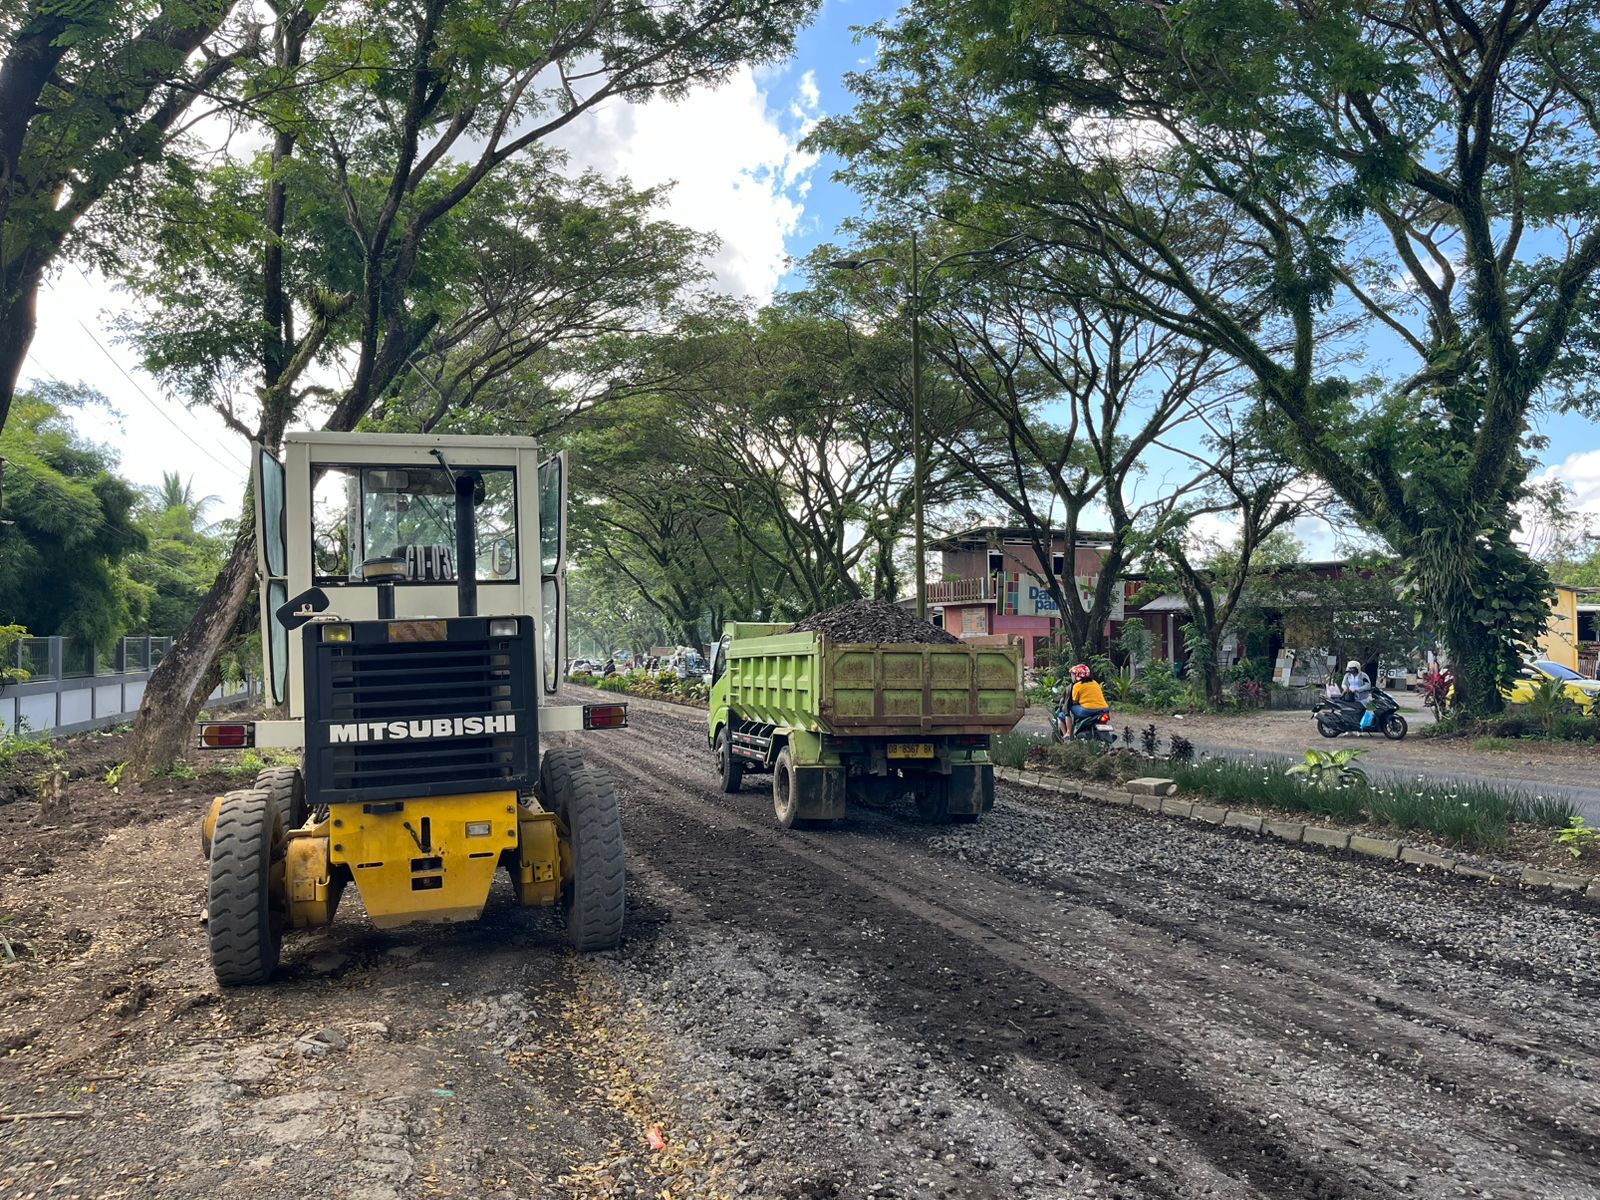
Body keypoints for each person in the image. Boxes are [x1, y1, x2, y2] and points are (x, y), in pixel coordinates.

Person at [1062, 663, 1110, 735]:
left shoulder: (1077, 685)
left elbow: (1074, 700)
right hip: (1104, 709)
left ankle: (1068, 733)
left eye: (1073, 675)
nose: (1072, 677)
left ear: (1077, 675)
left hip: (1088, 710)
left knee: (1070, 709)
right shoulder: (1095, 683)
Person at [1341, 659, 1375, 729]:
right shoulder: (1347, 675)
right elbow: (1344, 684)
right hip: (1351, 697)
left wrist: (1357, 689)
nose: (1351, 671)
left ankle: (1365, 727)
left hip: (1364, 698)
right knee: (1351, 712)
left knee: (1371, 711)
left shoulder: (1363, 675)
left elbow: (1368, 685)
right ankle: (1349, 729)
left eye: (1352, 669)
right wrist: (1345, 688)